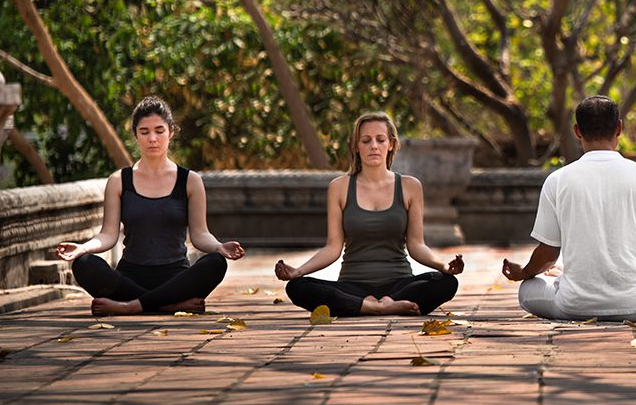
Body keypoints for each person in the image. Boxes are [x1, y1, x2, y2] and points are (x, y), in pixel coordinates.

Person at [502, 95, 636, 322]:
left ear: (577, 131)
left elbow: (547, 255)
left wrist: (523, 272)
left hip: (573, 306)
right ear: (619, 128)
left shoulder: (557, 180)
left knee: (527, 289)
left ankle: (567, 280)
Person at [55, 96, 245, 315]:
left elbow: (200, 235)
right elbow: (107, 235)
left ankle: (132, 306)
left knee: (215, 263)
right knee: (84, 264)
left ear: (171, 132)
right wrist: (82, 248)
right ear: (136, 134)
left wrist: (219, 246)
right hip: (130, 276)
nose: (152, 138)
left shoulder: (190, 180)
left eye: (159, 131)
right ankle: (167, 305)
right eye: (144, 132)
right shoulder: (119, 180)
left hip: (175, 278)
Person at [275, 112, 462, 317]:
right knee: (297, 287)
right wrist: (298, 272)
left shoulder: (410, 186)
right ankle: (376, 307)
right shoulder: (339, 187)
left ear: (390, 144)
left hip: (400, 284)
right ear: (356, 146)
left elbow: (417, 245)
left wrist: (444, 266)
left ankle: (371, 305)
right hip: (353, 285)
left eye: (380, 140)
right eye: (366, 140)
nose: (374, 146)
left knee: (447, 282)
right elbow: (333, 247)